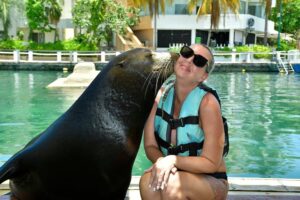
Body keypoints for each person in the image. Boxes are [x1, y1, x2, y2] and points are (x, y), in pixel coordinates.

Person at [139, 44, 228, 200]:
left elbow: (211, 163)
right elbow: (150, 146)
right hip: (175, 172)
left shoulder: (207, 103)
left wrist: (172, 160)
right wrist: (162, 162)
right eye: (187, 53)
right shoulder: (160, 96)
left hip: (211, 181)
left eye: (199, 61)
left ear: (203, 76)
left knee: (172, 185)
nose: (189, 60)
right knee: (147, 183)